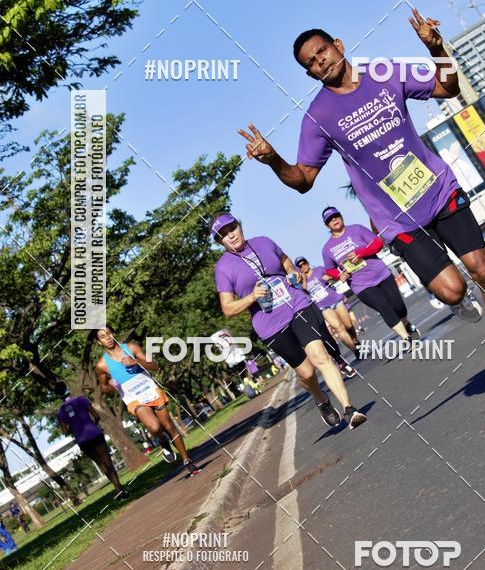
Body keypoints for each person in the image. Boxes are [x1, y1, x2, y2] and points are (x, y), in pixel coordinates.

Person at [237, 8, 485, 375]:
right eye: (312, 63)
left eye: (323, 51)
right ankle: (453, 296)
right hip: (397, 219)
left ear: (339, 46)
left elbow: (447, 88)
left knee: (482, 268)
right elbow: (304, 179)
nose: (321, 62)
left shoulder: (385, 74)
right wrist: (274, 160)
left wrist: (437, 50)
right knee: (453, 291)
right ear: (309, 74)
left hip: (439, 190)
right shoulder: (318, 117)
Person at [212, 213, 367, 430]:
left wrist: (294, 273)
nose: (230, 235)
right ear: (220, 241)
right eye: (223, 235)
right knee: (306, 372)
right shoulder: (223, 268)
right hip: (270, 325)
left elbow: (285, 261)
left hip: (298, 305)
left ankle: (349, 409)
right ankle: (321, 399)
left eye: (232, 229)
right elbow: (228, 309)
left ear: (239, 226)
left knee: (320, 356)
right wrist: (251, 297)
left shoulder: (264, 242)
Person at [94, 326, 202, 477]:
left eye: (109, 333)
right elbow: (104, 389)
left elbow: (154, 365)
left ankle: (187, 461)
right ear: (99, 342)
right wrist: (111, 386)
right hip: (134, 399)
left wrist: (135, 362)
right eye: (103, 336)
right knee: (155, 426)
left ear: (114, 333)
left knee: (169, 426)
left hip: (150, 390)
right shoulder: (101, 365)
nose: (108, 338)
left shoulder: (131, 347)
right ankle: (163, 441)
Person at [318, 208, 421, 346]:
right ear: (327, 226)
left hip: (381, 274)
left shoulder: (357, 229)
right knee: (384, 308)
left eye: (336, 216)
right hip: (360, 285)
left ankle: (406, 324)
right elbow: (329, 269)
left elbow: (377, 243)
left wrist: (360, 253)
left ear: (341, 217)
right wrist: (339, 275)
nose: (334, 220)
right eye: (330, 220)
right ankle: (406, 338)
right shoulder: (327, 249)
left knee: (398, 307)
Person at [55, 382, 129, 500]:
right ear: (67, 389)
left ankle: (119, 489)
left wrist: (73, 427)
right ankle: (119, 488)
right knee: (108, 462)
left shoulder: (60, 413)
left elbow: (65, 431)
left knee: (101, 465)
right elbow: (96, 416)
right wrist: (92, 425)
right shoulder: (81, 400)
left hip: (82, 440)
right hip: (94, 434)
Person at [294, 254, 362, 372]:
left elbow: (331, 276)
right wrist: (303, 279)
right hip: (323, 307)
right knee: (339, 328)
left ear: (307, 262)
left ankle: (355, 341)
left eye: (304, 263)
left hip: (335, 299)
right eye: (300, 266)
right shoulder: (301, 280)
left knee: (348, 325)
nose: (303, 266)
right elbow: (303, 291)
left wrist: (330, 277)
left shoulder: (319, 269)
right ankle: (355, 350)